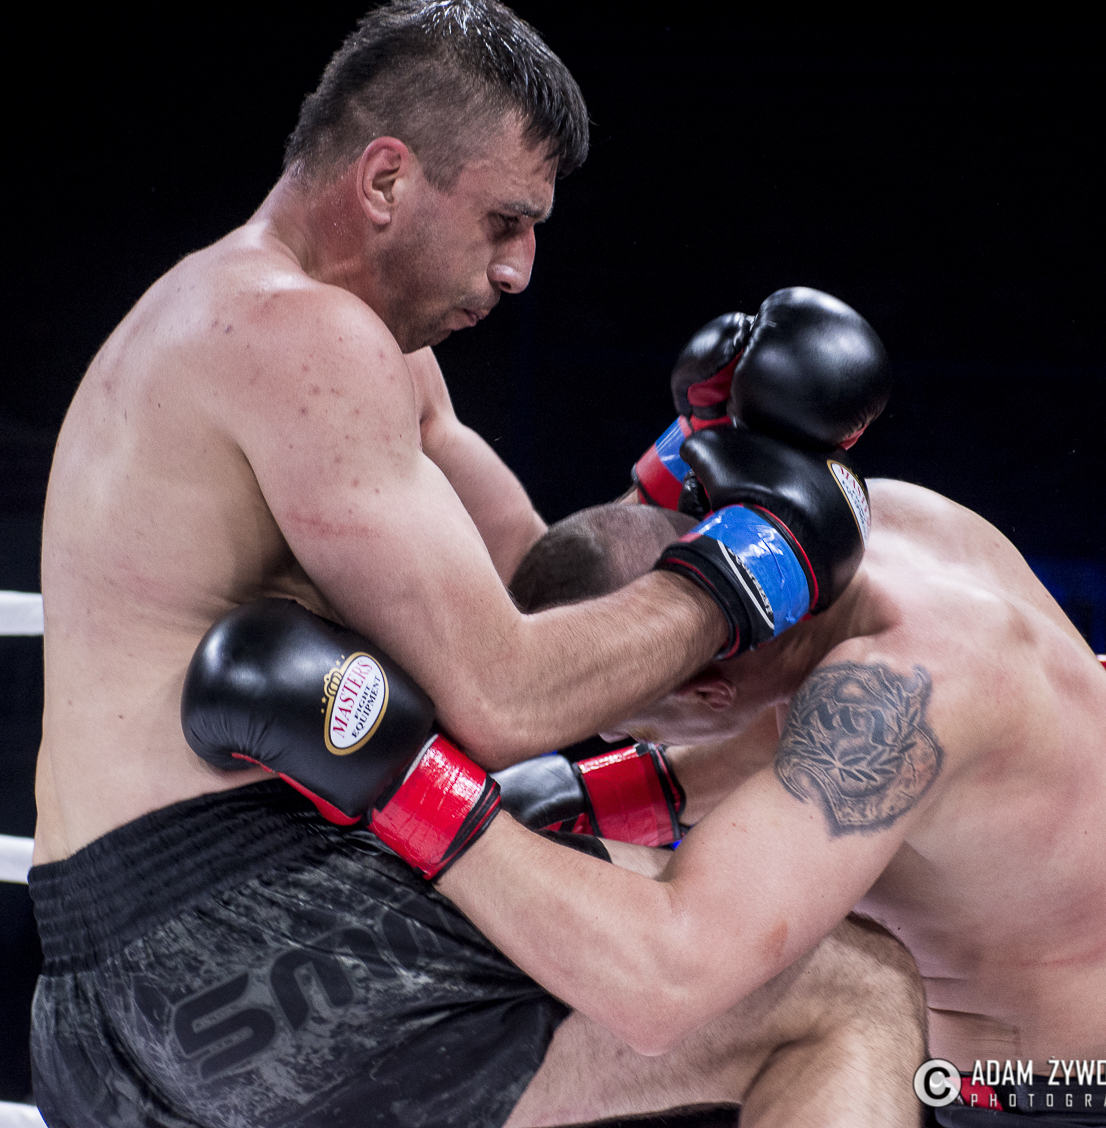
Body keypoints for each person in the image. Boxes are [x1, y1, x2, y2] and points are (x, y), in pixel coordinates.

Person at [27, 1, 923, 1125]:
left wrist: (692, 467)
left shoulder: (279, 330)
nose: (519, 271)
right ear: (386, 179)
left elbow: (546, 582)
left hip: (96, 1003)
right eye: (505, 222)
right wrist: (759, 563)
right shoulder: (302, 336)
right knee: (850, 993)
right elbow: (505, 699)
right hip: (258, 938)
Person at [313, 483, 1106, 1126]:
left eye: (630, 730)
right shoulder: (877, 527)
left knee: (800, 992)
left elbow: (667, 975)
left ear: (703, 692)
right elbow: (782, 724)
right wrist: (589, 792)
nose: (630, 748)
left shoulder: (898, 692)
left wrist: (404, 780)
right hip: (985, 1088)